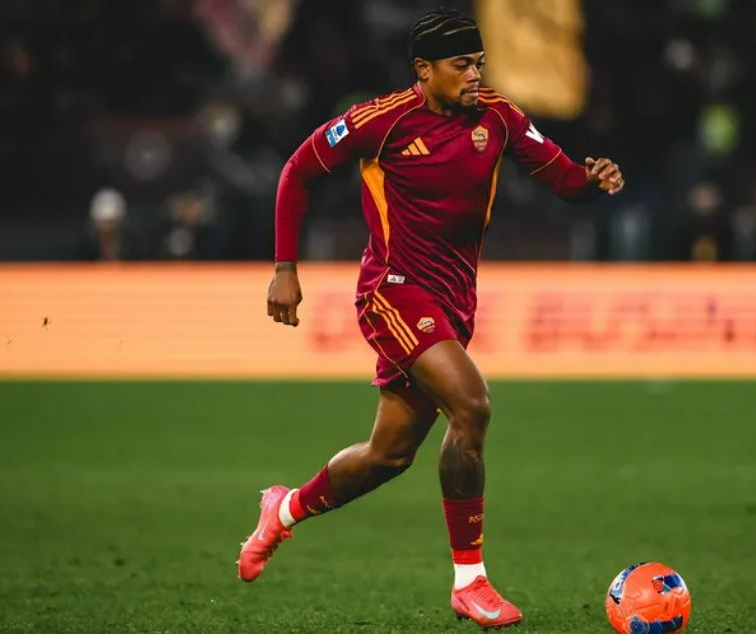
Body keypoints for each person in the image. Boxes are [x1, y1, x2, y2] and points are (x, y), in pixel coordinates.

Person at [237, 7, 624, 628]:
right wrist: (285, 267)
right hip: (392, 292)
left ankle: (282, 511)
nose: (475, 75)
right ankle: (470, 581)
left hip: (454, 302)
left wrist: (591, 179)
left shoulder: (499, 116)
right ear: (424, 70)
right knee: (472, 405)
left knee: (387, 455)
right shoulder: (380, 121)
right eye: (461, 65)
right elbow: (297, 172)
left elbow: (561, 178)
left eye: (479, 64)